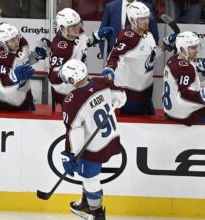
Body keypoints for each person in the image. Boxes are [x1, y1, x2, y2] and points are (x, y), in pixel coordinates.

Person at [59, 59, 126, 220]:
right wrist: (111, 83)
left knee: (90, 179)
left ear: (71, 80)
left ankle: (96, 213)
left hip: (93, 147)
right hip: (110, 138)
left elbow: (75, 132)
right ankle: (85, 202)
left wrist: (70, 154)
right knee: (86, 174)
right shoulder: (101, 82)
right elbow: (121, 99)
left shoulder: (72, 100)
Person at [101, 1, 158, 115]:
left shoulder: (148, 34)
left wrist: (166, 45)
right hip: (131, 96)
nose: (146, 21)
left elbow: (151, 54)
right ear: (132, 20)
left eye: (147, 18)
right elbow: (114, 55)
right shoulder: (127, 37)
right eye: (142, 19)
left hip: (145, 92)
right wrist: (110, 67)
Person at [49, 8, 113, 107]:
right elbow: (53, 77)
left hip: (82, 81)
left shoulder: (78, 32)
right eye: (73, 26)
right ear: (62, 28)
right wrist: (63, 73)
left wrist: (96, 37)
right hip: (66, 89)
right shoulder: (60, 47)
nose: (77, 27)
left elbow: (83, 43)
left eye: (78, 23)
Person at [0, 22, 50, 111]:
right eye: (11, 40)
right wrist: (14, 76)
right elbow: (3, 82)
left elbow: (24, 61)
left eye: (16, 38)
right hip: (7, 103)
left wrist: (35, 56)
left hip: (26, 99)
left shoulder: (20, 44)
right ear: (3, 43)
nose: (16, 42)